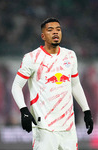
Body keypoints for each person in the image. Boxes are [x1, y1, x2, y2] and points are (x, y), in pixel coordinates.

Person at [11, 17, 93, 150]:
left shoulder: (70, 56)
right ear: (43, 36)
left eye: (58, 29)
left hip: (68, 128)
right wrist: (24, 110)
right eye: (50, 30)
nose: (55, 32)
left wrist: (87, 111)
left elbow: (75, 85)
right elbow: (16, 86)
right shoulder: (32, 58)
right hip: (44, 128)